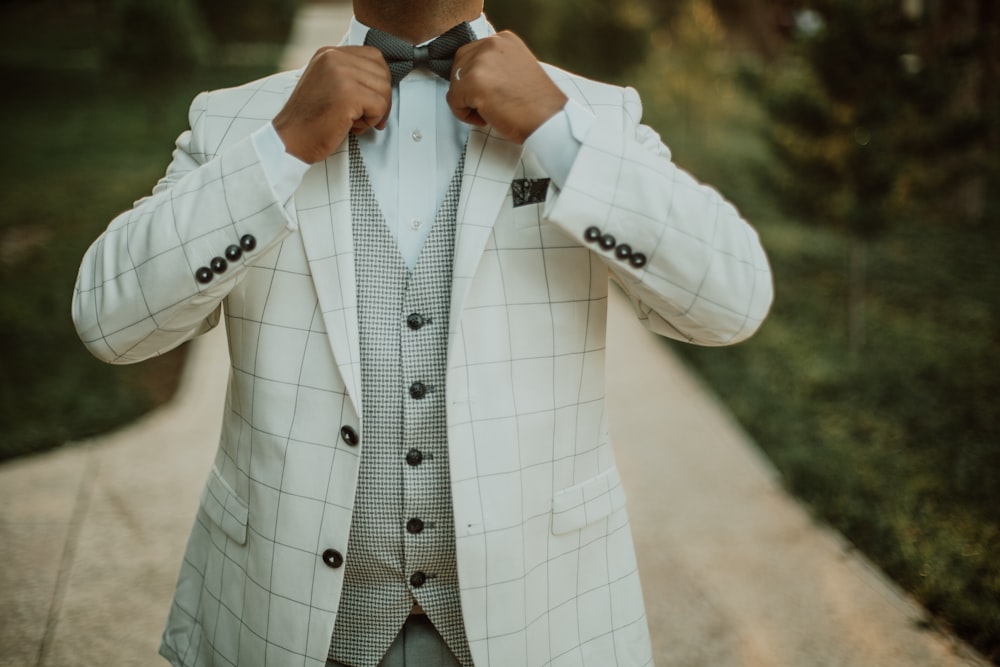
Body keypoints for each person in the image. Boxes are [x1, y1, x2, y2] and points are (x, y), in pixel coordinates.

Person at [72, 0, 773, 665]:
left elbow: (731, 301)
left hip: (537, 625)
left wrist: (557, 134)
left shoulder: (592, 115)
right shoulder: (238, 123)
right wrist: (280, 150)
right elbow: (112, 323)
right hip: (287, 625)